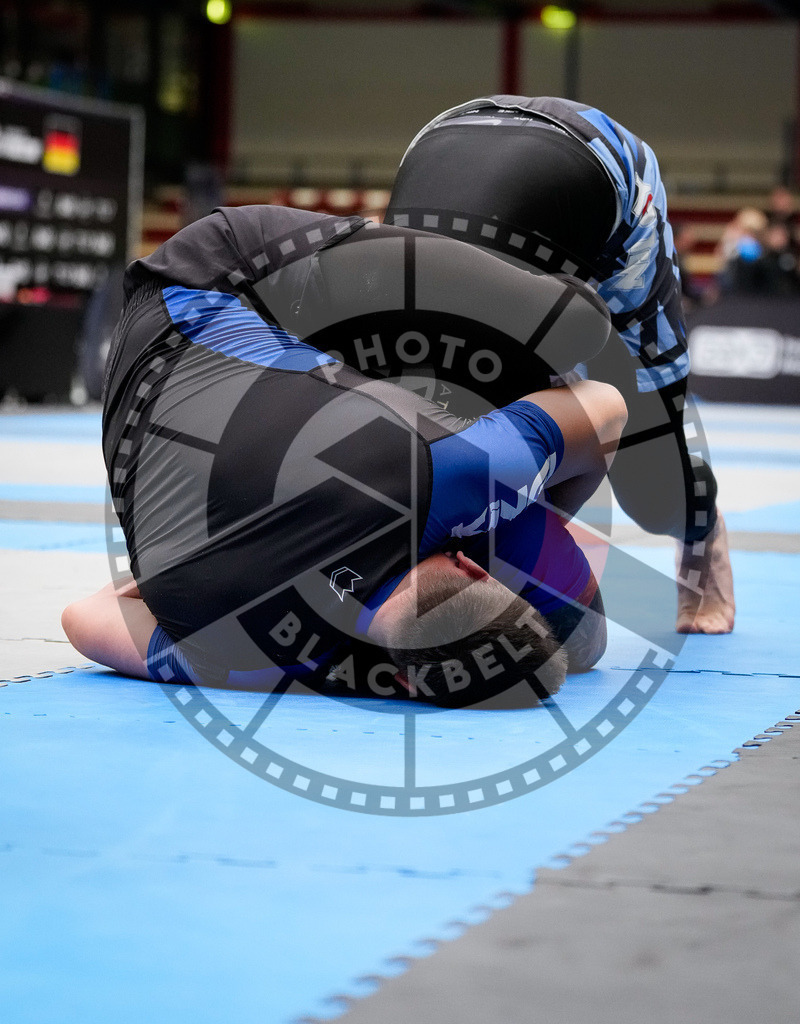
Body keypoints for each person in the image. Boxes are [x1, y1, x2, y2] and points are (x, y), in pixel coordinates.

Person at [62, 204, 627, 708]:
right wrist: (196, 584)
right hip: (169, 346)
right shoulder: (246, 656)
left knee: (578, 327)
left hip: (210, 277)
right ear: (405, 680)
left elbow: (607, 408)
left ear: (472, 565)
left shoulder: (446, 474)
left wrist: (522, 498)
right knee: (574, 324)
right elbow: (84, 619)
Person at [386, 95, 736, 634]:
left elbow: (604, 415)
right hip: (450, 137)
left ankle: (701, 531)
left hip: (603, 174)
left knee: (652, 488)